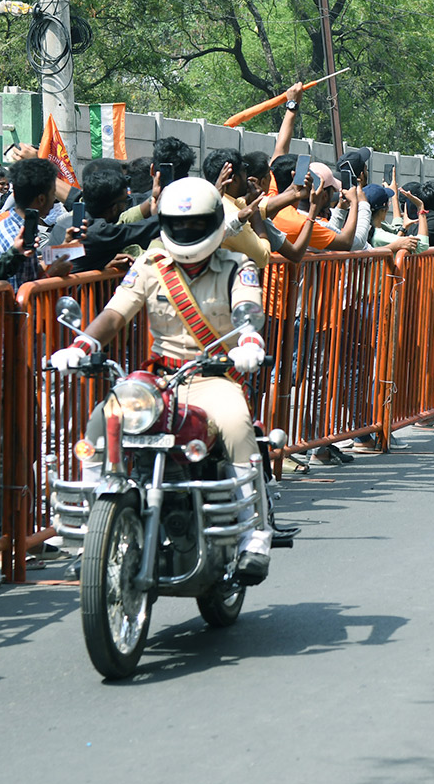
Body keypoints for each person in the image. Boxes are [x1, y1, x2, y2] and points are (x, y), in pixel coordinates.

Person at [49, 178, 274, 584]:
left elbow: (248, 311)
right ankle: (93, 519)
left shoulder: (238, 267)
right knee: (105, 415)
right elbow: (116, 314)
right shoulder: (150, 266)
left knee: (237, 423)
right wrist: (81, 346)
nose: (187, 232)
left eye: (196, 224)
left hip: (213, 375)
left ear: (214, 222)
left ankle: (251, 531)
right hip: (161, 379)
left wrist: (250, 342)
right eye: (178, 224)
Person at [0, 158, 73, 289]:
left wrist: (65, 246)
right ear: (41, 199)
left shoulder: (22, 228)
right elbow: (17, 298)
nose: (55, 200)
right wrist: (52, 275)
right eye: (53, 194)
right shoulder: (13, 239)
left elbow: (30, 273)